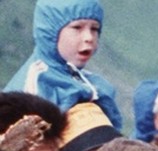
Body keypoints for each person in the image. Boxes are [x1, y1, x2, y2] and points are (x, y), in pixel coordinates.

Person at [5, 0, 121, 131]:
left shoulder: (91, 82)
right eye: (77, 27)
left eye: (94, 29)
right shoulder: (35, 84)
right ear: (50, 32)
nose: (89, 37)